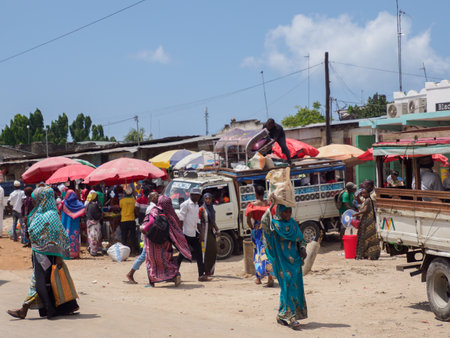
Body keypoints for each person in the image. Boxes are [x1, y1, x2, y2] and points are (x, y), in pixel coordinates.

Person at [7, 186, 79, 319]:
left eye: (37, 199)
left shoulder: (48, 215)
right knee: (46, 283)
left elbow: (56, 235)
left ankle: (31, 309)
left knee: (39, 282)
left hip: (44, 255)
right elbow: (59, 235)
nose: (35, 202)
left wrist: (58, 256)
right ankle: (49, 309)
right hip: (45, 254)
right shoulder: (47, 213)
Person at [261, 199, 307, 330]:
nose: (288, 214)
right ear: (280, 211)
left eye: (289, 211)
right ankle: (291, 317)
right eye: (285, 212)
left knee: (294, 286)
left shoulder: (292, 223)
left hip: (295, 262)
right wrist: (272, 205)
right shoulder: (274, 225)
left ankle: (282, 315)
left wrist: (302, 248)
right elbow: (264, 221)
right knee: (287, 285)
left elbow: (301, 239)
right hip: (281, 262)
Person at [143, 196, 192, 287]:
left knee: (152, 261)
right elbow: (177, 229)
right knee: (167, 261)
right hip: (165, 242)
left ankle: (152, 282)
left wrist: (143, 229)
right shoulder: (172, 214)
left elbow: (150, 222)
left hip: (152, 242)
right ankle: (174, 275)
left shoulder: (155, 211)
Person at [177, 187, 210, 282]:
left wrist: (200, 233)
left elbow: (198, 220)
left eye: (199, 196)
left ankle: (201, 275)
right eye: (197, 196)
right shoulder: (185, 205)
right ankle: (174, 273)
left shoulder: (196, 206)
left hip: (194, 233)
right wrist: (180, 234)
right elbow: (181, 219)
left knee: (199, 254)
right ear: (192, 195)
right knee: (181, 255)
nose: (198, 197)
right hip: (186, 233)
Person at [126, 192, 159, 284]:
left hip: (149, 233)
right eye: (155, 196)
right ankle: (131, 273)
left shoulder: (153, 207)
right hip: (149, 233)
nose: (157, 197)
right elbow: (150, 221)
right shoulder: (152, 208)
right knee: (144, 255)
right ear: (151, 198)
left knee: (148, 255)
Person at [245, 186, 274, 286]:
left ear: (256, 194)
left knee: (257, 252)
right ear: (263, 193)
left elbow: (248, 220)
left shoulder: (252, 206)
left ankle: (258, 278)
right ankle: (270, 277)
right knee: (267, 252)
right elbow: (272, 216)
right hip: (266, 229)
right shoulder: (268, 204)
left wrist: (253, 228)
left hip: (257, 230)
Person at [353, 187, 380, 260]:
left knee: (367, 238)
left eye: (364, 193)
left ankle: (370, 254)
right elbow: (359, 202)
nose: (363, 194)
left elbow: (365, 210)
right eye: (362, 193)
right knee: (366, 238)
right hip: (365, 221)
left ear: (368, 193)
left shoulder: (368, 200)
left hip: (368, 222)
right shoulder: (365, 200)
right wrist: (358, 196)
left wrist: (356, 214)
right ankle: (366, 254)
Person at [59, 189, 86, 259]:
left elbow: (58, 209)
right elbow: (83, 208)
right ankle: (74, 253)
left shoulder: (64, 203)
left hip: (65, 224)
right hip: (74, 224)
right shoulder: (78, 204)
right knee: (74, 237)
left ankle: (65, 253)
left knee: (65, 236)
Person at [199, 193, 220, 277]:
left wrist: (217, 229)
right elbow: (199, 222)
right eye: (206, 199)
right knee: (206, 252)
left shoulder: (212, 209)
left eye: (209, 199)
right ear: (204, 199)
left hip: (211, 232)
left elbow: (213, 221)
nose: (208, 200)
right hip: (204, 233)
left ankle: (210, 269)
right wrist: (200, 233)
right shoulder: (201, 209)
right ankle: (205, 270)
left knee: (213, 250)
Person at [119, 186, 139, 255]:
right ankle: (133, 251)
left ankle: (123, 252)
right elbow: (136, 210)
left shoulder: (121, 201)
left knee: (124, 237)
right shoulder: (134, 201)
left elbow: (120, 208)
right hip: (131, 220)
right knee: (132, 236)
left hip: (123, 220)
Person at [85, 191, 102, 256]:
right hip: (94, 223)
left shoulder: (88, 204)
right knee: (95, 238)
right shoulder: (95, 205)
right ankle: (93, 251)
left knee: (90, 237)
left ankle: (90, 248)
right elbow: (97, 215)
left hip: (89, 222)